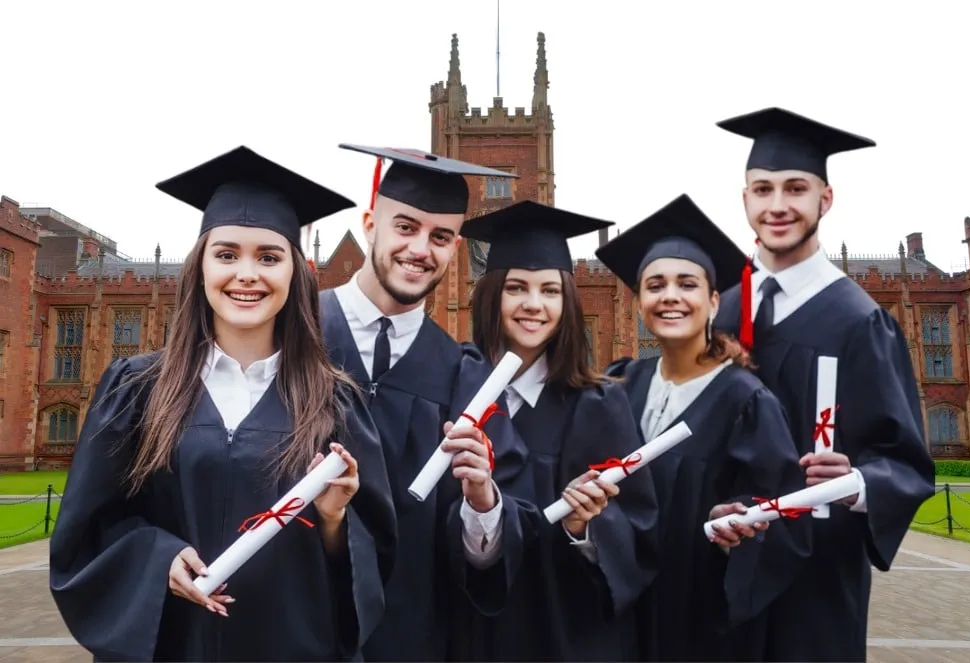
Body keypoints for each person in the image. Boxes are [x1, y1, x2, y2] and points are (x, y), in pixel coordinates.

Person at [49, 146, 398, 662]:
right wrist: (158, 559)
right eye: (227, 254)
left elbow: (373, 566)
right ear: (202, 267)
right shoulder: (138, 390)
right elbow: (86, 532)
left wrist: (332, 519)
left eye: (269, 257)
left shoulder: (334, 403)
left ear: (295, 274)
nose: (247, 274)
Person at [713, 107, 936, 661]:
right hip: (722, 569)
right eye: (762, 189)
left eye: (796, 188)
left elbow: (904, 462)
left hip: (815, 579)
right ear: (745, 201)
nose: (778, 204)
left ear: (824, 200)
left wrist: (857, 480)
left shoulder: (857, 320)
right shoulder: (723, 310)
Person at [318, 145, 541, 662]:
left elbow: (497, 548)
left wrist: (482, 500)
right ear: (371, 222)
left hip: (410, 640)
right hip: (284, 633)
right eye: (406, 226)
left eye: (440, 237)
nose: (421, 248)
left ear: (455, 246)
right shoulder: (290, 336)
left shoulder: (463, 376)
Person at [596, 193, 812, 662]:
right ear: (638, 301)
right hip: (619, 619)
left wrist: (742, 520)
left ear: (713, 300)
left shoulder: (746, 400)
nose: (669, 296)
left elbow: (787, 513)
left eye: (686, 284)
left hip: (702, 625)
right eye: (655, 285)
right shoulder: (622, 385)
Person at [442, 200, 661, 661]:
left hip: (571, 637)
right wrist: (481, 507)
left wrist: (584, 527)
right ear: (491, 295)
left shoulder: (602, 405)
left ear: (568, 302)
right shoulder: (457, 391)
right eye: (516, 288)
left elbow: (639, 535)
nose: (534, 305)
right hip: (479, 636)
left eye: (550, 291)